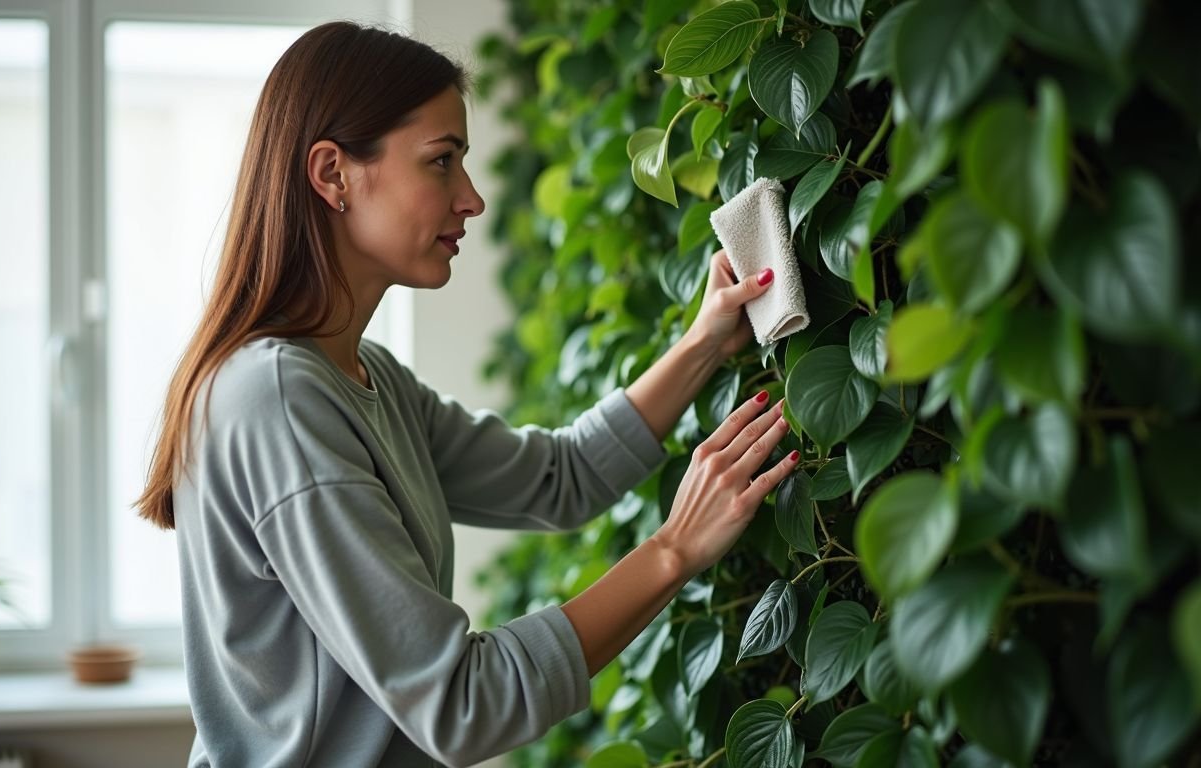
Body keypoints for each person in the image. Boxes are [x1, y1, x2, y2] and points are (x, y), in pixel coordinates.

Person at [135, 20, 799, 768]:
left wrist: (703, 342)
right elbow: (462, 705)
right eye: (441, 163)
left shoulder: (362, 377)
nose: (473, 199)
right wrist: (675, 549)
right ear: (333, 175)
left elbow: (562, 478)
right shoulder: (280, 402)